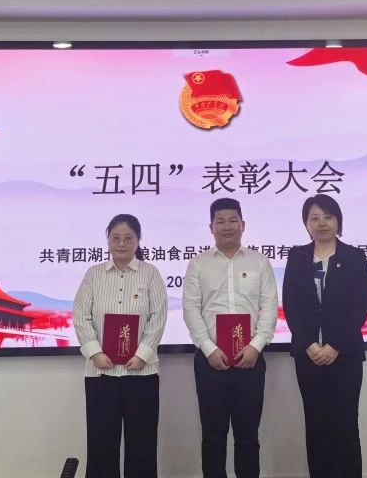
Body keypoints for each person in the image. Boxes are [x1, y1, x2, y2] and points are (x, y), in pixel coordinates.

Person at [182, 198, 279, 478]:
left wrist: (255, 346)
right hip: (210, 362)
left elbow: (270, 307)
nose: (227, 226)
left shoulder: (259, 262)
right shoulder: (198, 264)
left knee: (248, 437)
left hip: (250, 361)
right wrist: (209, 349)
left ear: (243, 224)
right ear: (211, 227)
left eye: (233, 220)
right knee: (213, 436)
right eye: (220, 221)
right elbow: (191, 309)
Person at [282, 193, 367, 478]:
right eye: (314, 218)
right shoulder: (297, 257)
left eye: (328, 217)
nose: (321, 223)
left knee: (346, 424)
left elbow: (360, 306)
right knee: (316, 424)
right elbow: (291, 305)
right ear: (306, 224)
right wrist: (309, 344)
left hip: (345, 356)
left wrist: (336, 346)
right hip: (308, 356)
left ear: (338, 221)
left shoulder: (354, 257)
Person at [72, 214, 168, 478]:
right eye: (116, 238)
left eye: (128, 238)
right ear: (108, 240)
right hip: (101, 373)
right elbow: (81, 316)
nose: (122, 244)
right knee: (101, 445)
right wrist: (95, 353)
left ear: (138, 240)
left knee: (142, 445)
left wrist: (142, 355)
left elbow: (158, 318)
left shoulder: (150, 274)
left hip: (142, 373)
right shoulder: (93, 275)